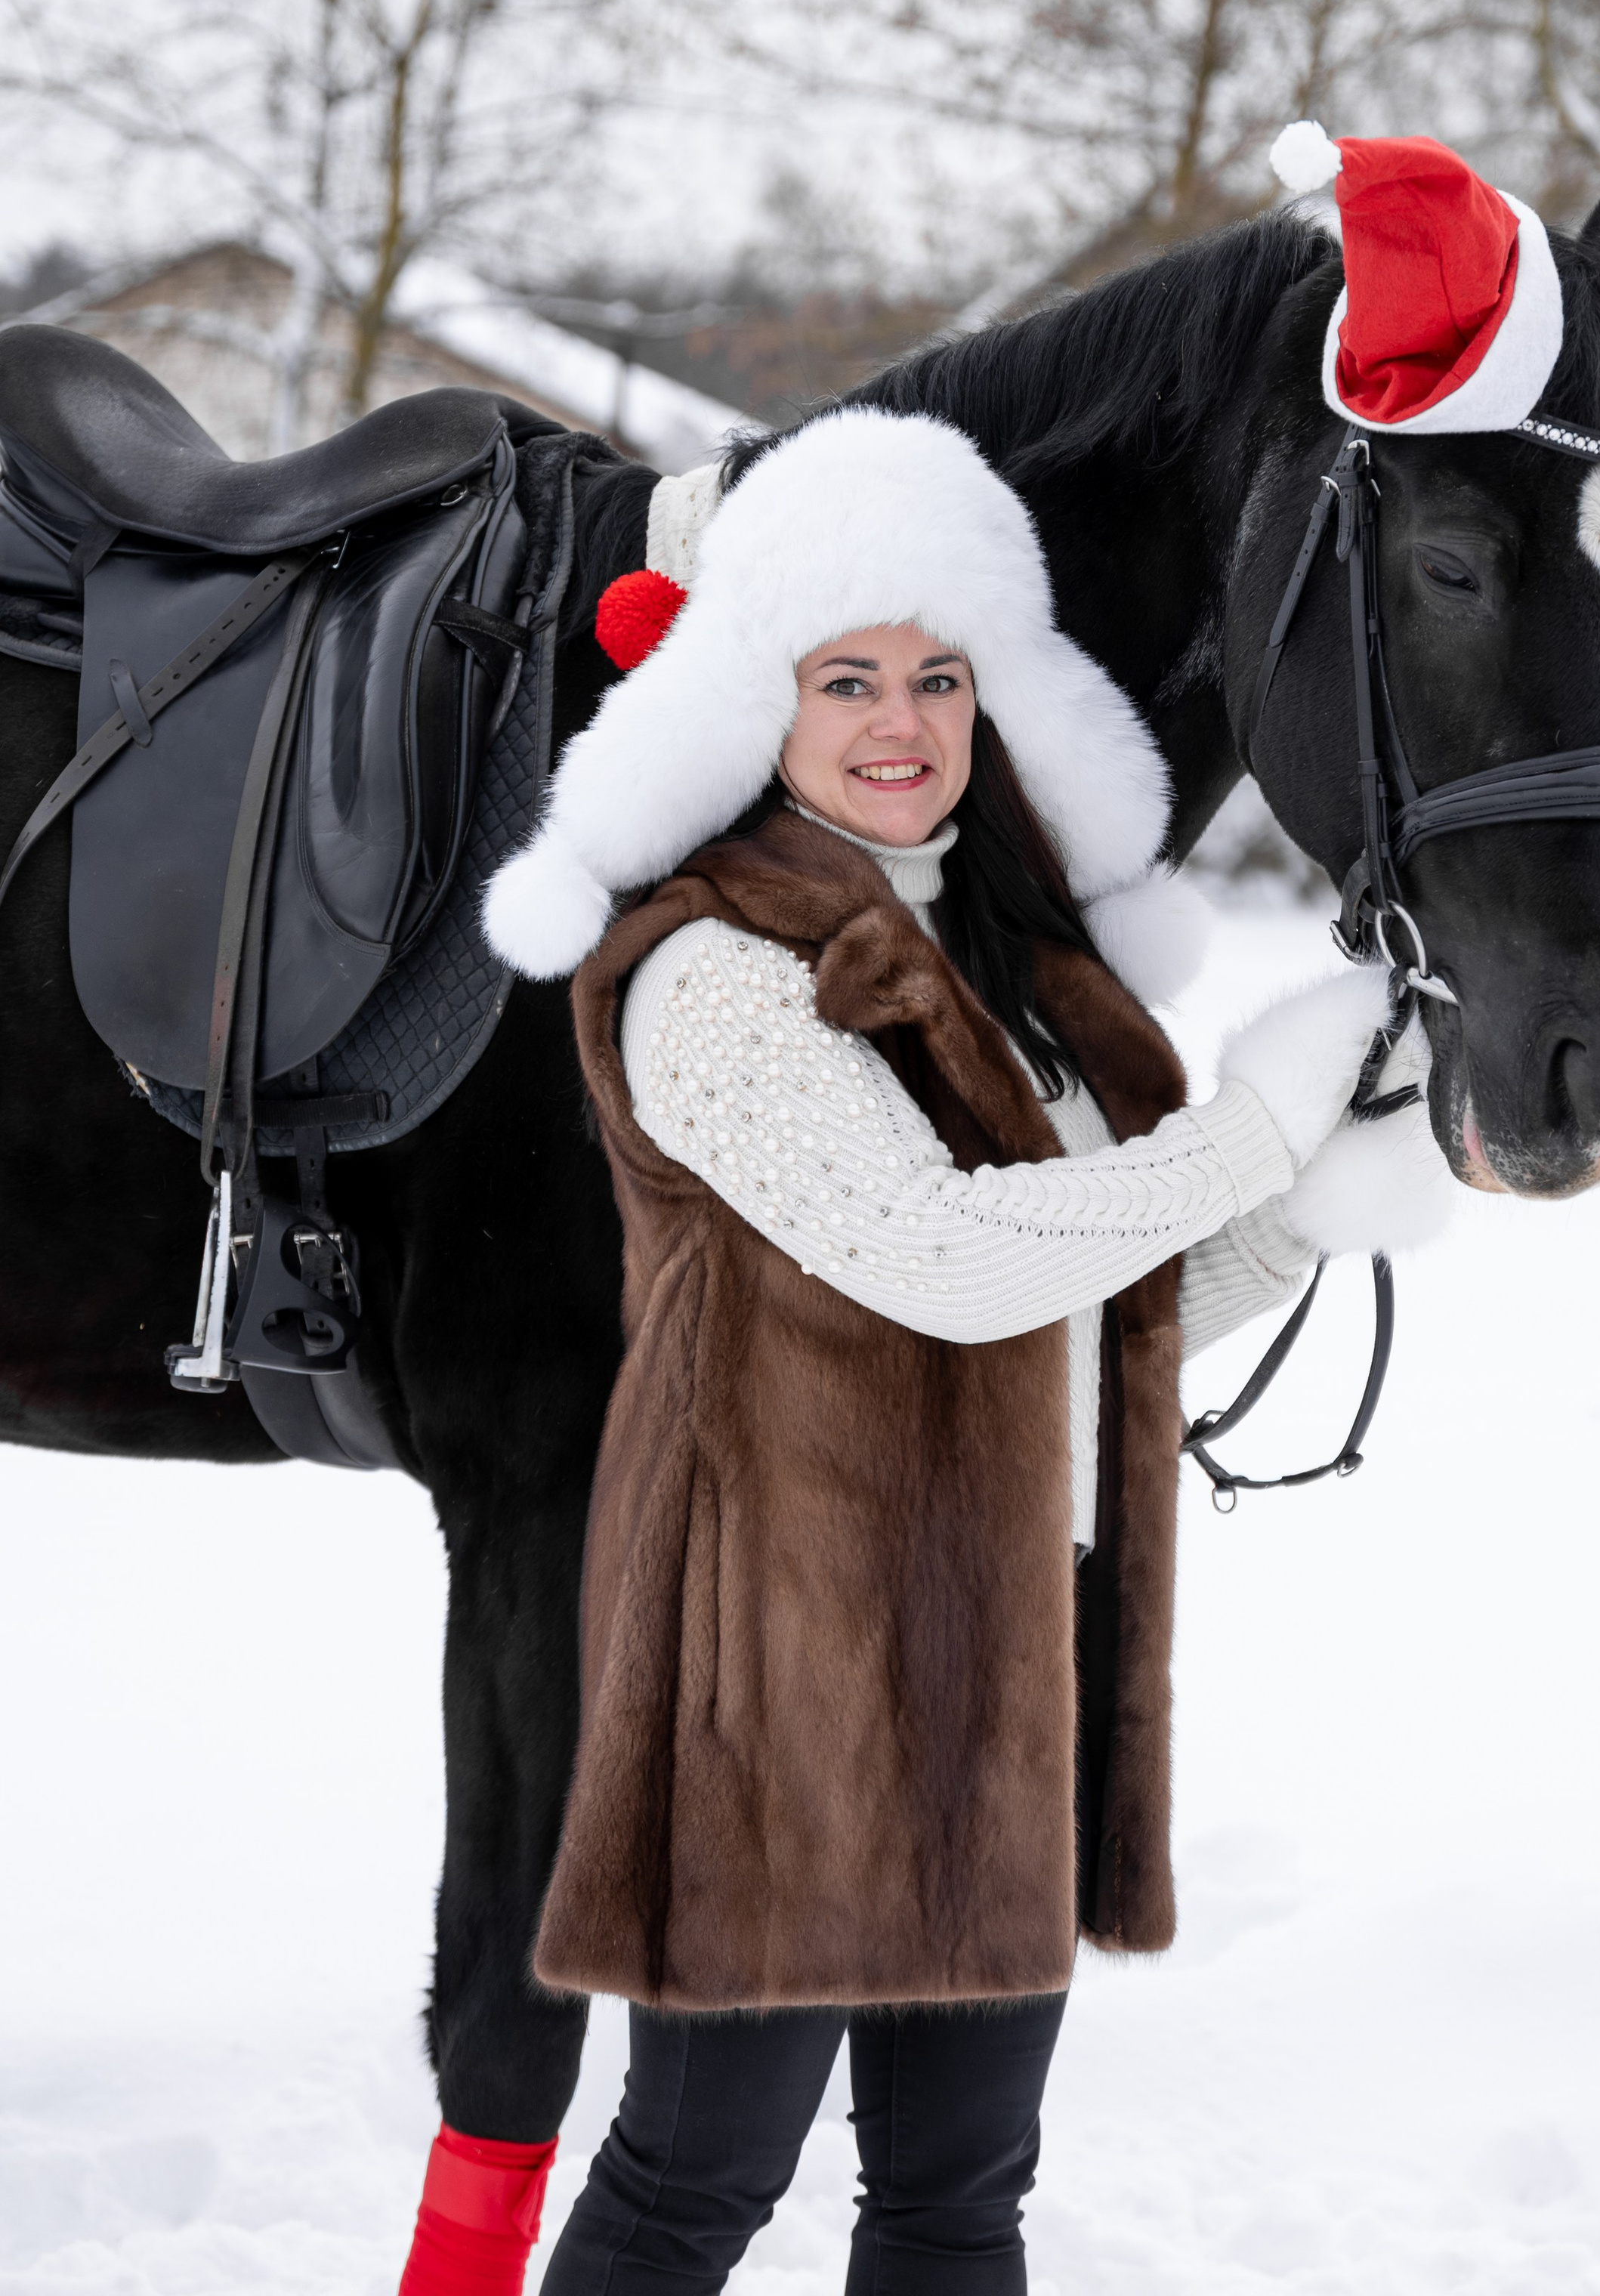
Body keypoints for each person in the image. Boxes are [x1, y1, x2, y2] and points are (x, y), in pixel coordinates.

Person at [482, 408, 1449, 2295]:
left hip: (1015, 1648)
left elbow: (1094, 1316)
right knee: (699, 2183)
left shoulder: (1028, 970)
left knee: (955, 2202)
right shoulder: (709, 971)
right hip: (784, 1672)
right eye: (843, 676)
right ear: (751, 703)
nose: (897, 721)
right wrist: (1239, 1139)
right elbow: (937, 1264)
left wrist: (1317, 1193)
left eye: (937, 675)